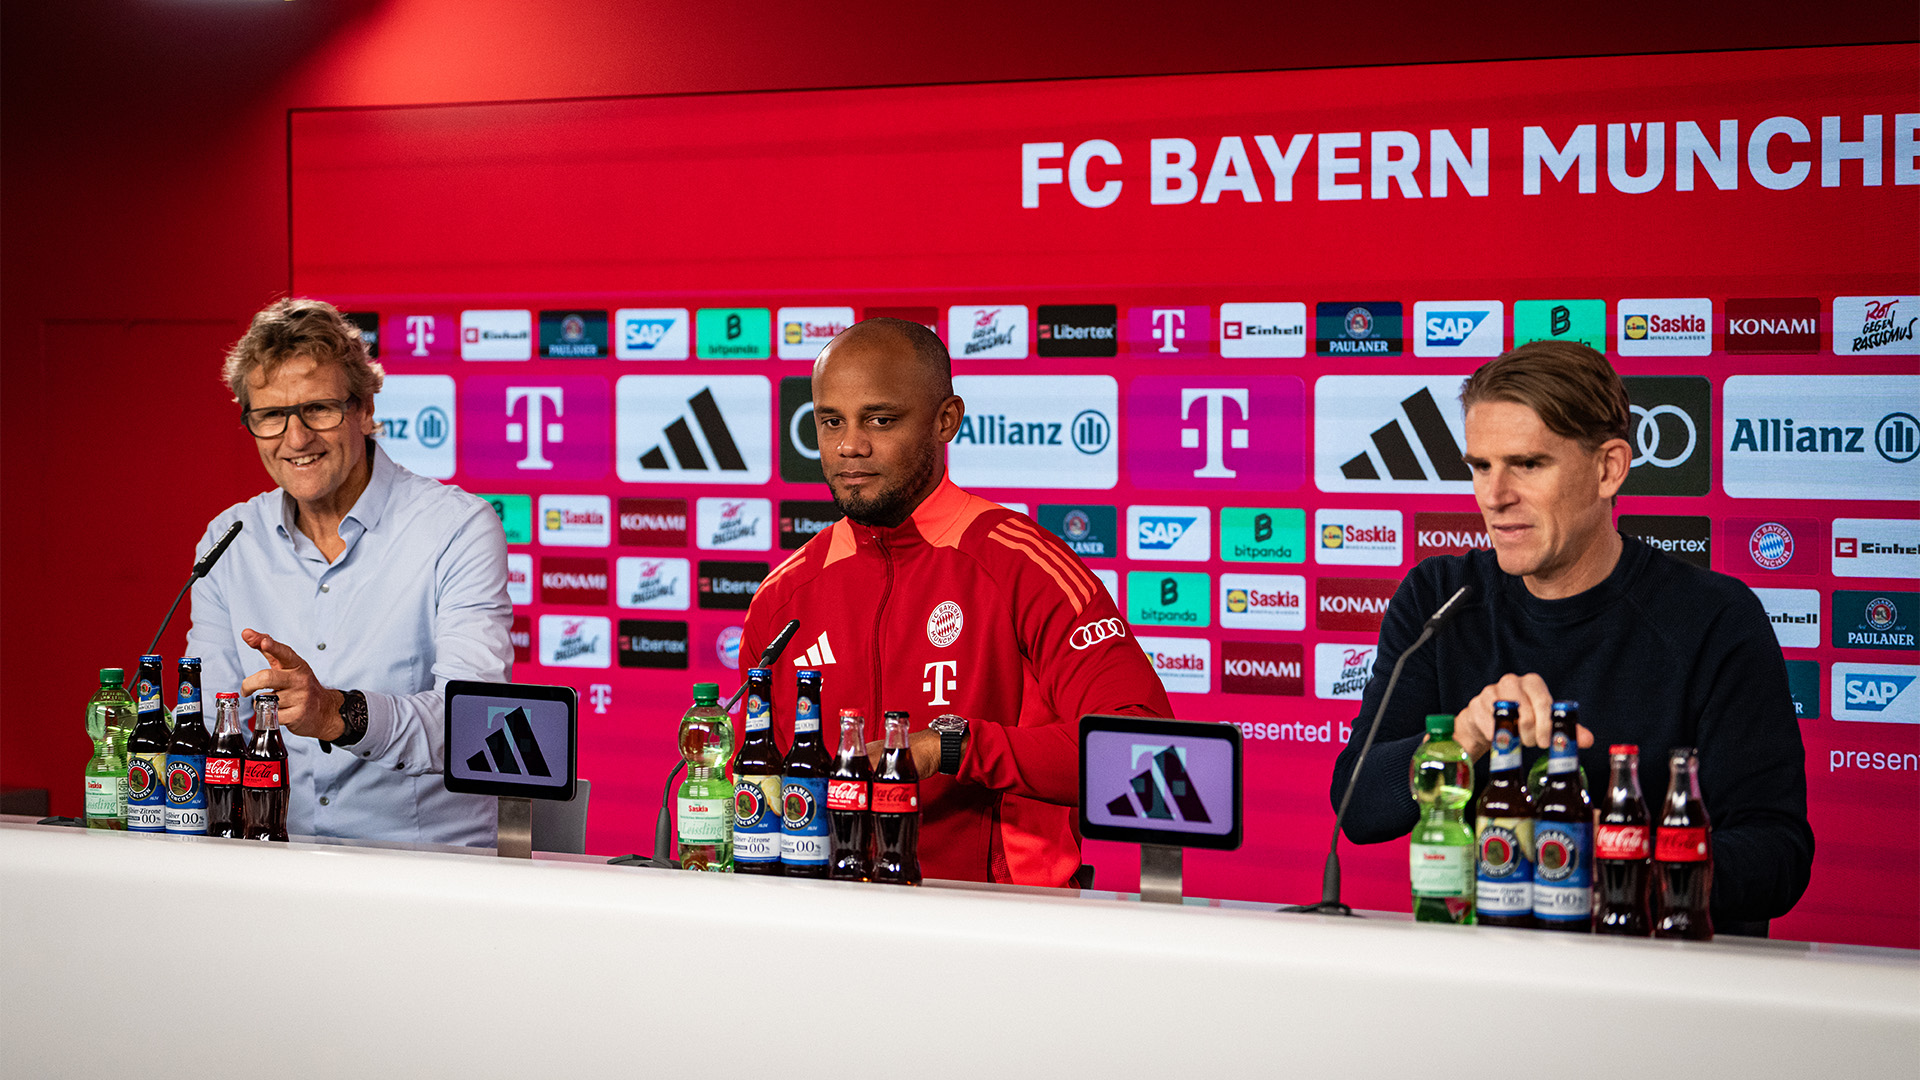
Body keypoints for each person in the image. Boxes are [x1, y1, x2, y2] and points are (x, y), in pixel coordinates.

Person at [1327, 341, 1813, 933]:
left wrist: (1597, 868)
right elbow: (1357, 808)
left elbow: (1776, 854)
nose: (1493, 495)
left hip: (1661, 983)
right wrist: (1464, 737)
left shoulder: (1714, 618)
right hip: (1484, 979)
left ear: (1609, 467)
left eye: (1528, 464)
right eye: (1480, 466)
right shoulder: (1441, 600)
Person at [741, 317, 1172, 886]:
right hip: (824, 931)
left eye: (880, 419)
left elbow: (1147, 753)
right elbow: (748, 796)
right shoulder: (784, 597)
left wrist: (954, 747)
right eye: (830, 421)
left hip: (1001, 930)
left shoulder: (1022, 564)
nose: (849, 445)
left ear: (946, 421)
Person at [187, 298, 513, 846]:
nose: (295, 440)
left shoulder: (457, 527)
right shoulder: (228, 541)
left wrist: (337, 714)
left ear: (363, 409)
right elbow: (212, 719)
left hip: (429, 875)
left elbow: (472, 723)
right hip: (271, 865)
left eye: (319, 409)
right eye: (271, 416)